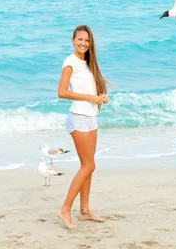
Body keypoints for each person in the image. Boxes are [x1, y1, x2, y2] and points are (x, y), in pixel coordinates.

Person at [57, 25, 109, 229]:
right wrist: (89, 97)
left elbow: (94, 89)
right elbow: (61, 92)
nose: (83, 43)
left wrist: (101, 97)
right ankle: (64, 210)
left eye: (87, 41)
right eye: (80, 39)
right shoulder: (70, 62)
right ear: (72, 40)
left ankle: (85, 211)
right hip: (77, 118)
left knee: (88, 167)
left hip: (90, 117)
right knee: (89, 166)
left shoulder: (88, 63)